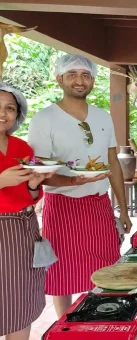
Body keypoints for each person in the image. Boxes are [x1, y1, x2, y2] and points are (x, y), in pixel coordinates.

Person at [27, 54, 132, 318]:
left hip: (98, 204)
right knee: (61, 271)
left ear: (93, 81)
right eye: (72, 75)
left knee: (106, 265)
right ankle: (64, 324)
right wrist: (73, 180)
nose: (79, 81)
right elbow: (40, 172)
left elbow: (112, 163)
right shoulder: (45, 118)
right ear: (59, 79)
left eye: (85, 75)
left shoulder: (102, 117)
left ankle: (101, 318)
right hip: (61, 205)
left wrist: (124, 209)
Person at [0, 82, 52, 340]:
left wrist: (34, 183)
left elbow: (31, 197)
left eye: (10, 108)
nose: (3, 114)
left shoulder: (22, 149)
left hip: (24, 230)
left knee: (21, 298)